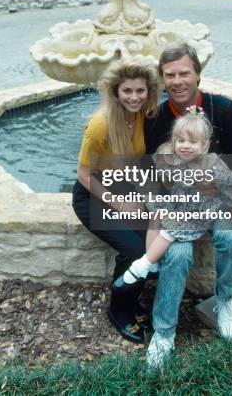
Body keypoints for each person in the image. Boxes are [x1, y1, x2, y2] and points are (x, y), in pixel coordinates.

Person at [143, 42, 232, 366]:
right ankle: (164, 332)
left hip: (217, 199)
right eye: (170, 75)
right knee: (175, 254)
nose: (177, 81)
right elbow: (150, 167)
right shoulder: (156, 118)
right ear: (163, 79)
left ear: (198, 74)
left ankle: (226, 298)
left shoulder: (226, 110)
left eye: (184, 73)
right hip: (178, 205)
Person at [72, 57, 158, 344]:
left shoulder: (143, 115)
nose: (134, 97)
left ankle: (133, 301)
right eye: (127, 91)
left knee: (152, 243)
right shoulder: (100, 124)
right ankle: (118, 310)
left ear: (148, 91)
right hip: (92, 195)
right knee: (134, 250)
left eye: (140, 91)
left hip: (121, 189)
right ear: (115, 92)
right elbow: (84, 174)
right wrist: (120, 204)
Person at [113, 107, 232, 290]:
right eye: (181, 141)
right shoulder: (176, 158)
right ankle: (153, 262)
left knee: (169, 232)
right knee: (156, 218)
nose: (186, 145)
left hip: (200, 211)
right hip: (179, 205)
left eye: (192, 142)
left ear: (205, 145)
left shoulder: (212, 164)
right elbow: (160, 159)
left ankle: (141, 266)